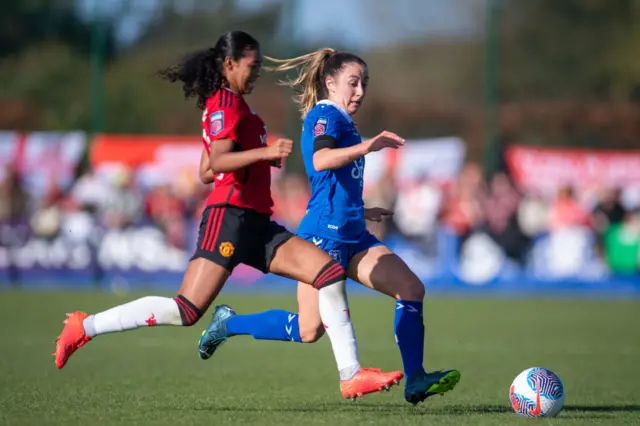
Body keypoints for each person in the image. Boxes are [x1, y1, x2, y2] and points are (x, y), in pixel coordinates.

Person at [53, 32, 402, 399]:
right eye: (253, 66)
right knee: (186, 310)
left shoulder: (235, 106)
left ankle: (351, 375)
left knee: (327, 273)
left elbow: (206, 168)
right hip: (229, 219)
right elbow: (217, 164)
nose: (257, 73)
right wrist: (262, 154)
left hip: (256, 223)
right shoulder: (224, 104)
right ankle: (85, 326)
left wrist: (251, 155)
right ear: (229, 64)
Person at [197, 48, 461, 406]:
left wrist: (362, 210)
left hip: (353, 234)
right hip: (322, 237)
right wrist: (369, 146)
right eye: (353, 82)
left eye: (364, 84)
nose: (360, 91)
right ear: (329, 82)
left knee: (411, 288)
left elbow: (331, 184)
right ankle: (227, 324)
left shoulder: (345, 121)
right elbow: (320, 160)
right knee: (309, 330)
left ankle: (416, 379)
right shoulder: (324, 114)